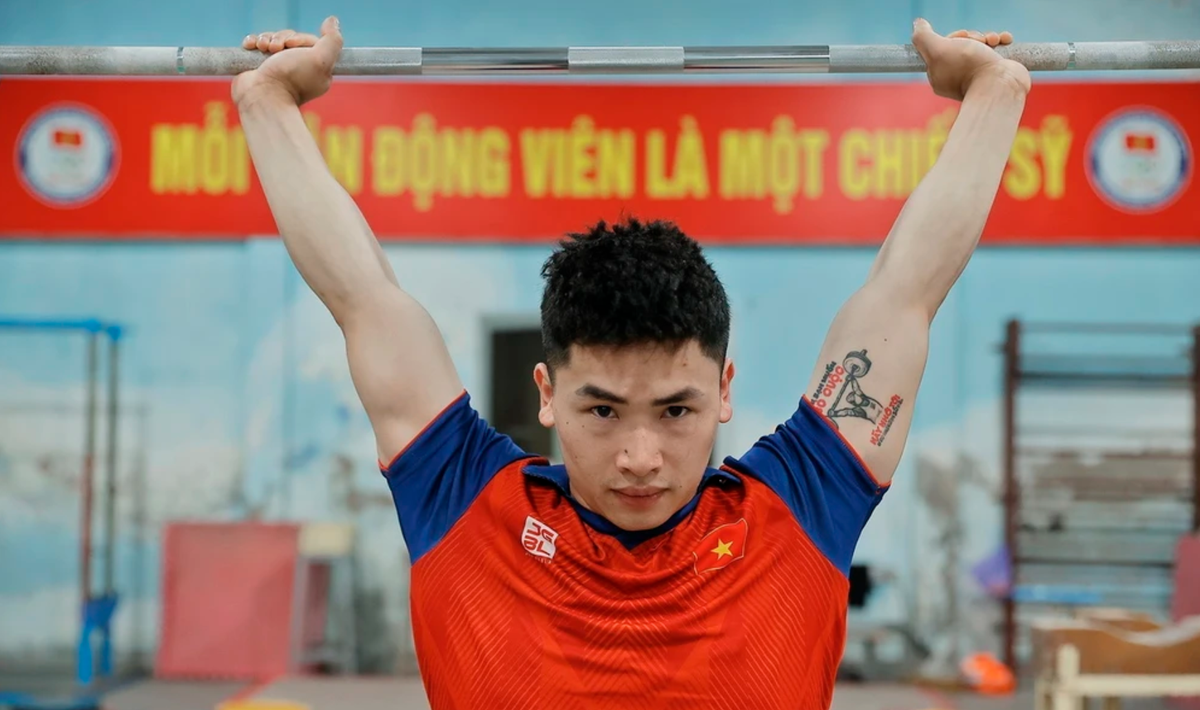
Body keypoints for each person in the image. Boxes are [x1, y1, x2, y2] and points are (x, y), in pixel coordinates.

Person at [232, 17, 1029, 709]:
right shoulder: (465, 504)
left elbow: (906, 294)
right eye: (603, 410)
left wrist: (995, 93)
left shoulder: (798, 512)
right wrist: (267, 103)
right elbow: (362, 298)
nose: (640, 458)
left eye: (676, 410)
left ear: (723, 390)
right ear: (547, 392)